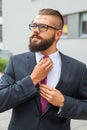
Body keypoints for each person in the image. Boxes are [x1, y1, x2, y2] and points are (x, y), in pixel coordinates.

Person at [0, 8, 87, 130]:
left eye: (43, 27)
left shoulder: (78, 69)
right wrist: (32, 80)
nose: (35, 30)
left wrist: (63, 102)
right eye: (34, 25)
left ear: (58, 34)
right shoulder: (16, 62)